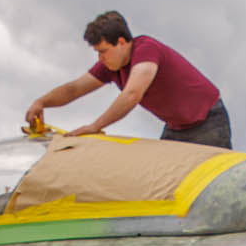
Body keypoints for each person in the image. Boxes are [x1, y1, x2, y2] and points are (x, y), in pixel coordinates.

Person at [24, 10, 231, 148]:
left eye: (103, 51)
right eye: (97, 52)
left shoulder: (146, 49)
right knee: (163, 188)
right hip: (177, 128)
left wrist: (95, 126)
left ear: (122, 42)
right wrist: (42, 102)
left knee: (211, 192)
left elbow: (132, 93)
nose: (100, 58)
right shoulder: (111, 66)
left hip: (207, 123)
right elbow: (75, 89)